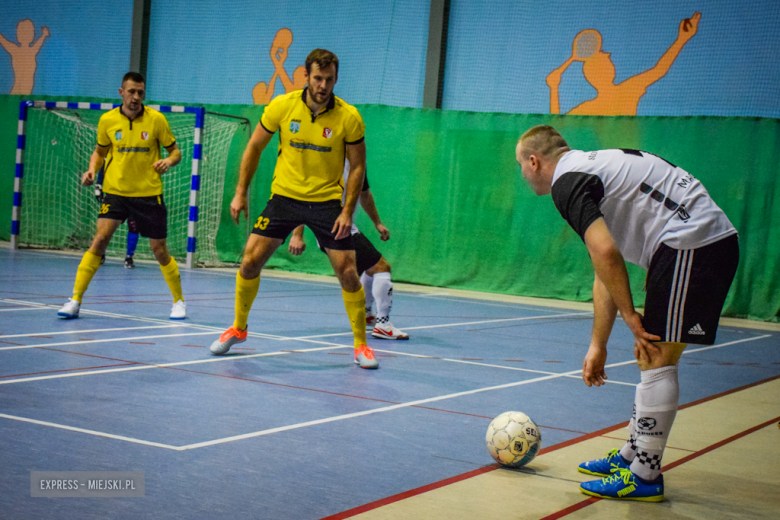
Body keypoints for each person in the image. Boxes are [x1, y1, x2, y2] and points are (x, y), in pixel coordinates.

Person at [516, 125, 738, 501]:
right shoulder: (593, 172)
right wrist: (597, 345)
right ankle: (633, 454)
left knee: (656, 357)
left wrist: (631, 316)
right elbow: (604, 270)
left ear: (534, 161)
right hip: (689, 243)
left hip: (693, 242)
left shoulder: (568, 183)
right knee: (649, 355)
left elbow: (606, 253)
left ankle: (645, 476)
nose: (522, 173)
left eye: (521, 165)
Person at [209, 49, 379, 369]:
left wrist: (346, 211)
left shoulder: (349, 117)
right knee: (249, 262)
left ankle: (361, 346)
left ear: (336, 79)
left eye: (329, 79)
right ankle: (239, 328)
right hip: (284, 198)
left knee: (347, 273)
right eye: (318, 78)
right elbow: (255, 146)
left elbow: (357, 167)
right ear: (306, 76)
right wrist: (240, 192)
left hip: (326, 202)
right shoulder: (282, 106)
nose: (323, 85)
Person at [57, 72, 186, 320]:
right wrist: (92, 169)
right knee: (99, 241)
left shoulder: (156, 120)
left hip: (148, 194)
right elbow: (100, 152)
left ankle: (178, 301)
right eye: (131, 91)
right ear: (121, 92)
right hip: (115, 192)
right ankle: (75, 300)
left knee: (159, 250)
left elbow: (176, 151)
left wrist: (169, 161)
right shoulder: (107, 120)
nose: (136, 97)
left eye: (140, 92)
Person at [288, 163, 409, 340]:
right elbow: (303, 199)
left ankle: (367, 313)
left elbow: (364, 194)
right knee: (381, 268)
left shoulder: (356, 161)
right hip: (330, 227)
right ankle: (383, 325)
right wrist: (297, 235)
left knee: (372, 267)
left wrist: (377, 223)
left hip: (346, 226)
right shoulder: (325, 159)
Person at [546, 12, 700, 116]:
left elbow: (558, 125)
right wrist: (682, 39)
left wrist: (554, 88)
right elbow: (659, 70)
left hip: (614, 159)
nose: (610, 57)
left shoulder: (588, 107)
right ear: (600, 71)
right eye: (606, 58)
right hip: (626, 158)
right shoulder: (628, 89)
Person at [95, 160, 139, 268]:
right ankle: (100, 254)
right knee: (105, 228)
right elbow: (105, 161)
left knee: (134, 225)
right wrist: (98, 184)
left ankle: (129, 257)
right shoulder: (114, 146)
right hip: (114, 195)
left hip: (135, 194)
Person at [0, 19, 50, 95]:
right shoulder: (15, 50)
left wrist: (44, 35)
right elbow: (3, 41)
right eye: (24, 32)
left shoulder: (32, 51)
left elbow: (38, 43)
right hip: (19, 91)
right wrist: (44, 35)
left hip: (26, 91)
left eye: (30, 31)